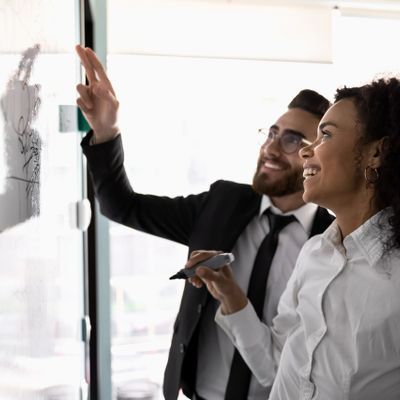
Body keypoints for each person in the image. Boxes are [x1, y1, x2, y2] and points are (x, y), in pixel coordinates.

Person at [75, 44, 334, 400]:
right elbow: (122, 206)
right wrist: (106, 131)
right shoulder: (222, 204)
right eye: (272, 133)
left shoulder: (331, 241)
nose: (271, 148)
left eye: (291, 140)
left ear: (316, 155)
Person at [189, 77, 400, 400]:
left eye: (325, 135)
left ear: (376, 153)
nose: (306, 150)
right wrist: (231, 296)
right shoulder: (314, 254)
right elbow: (274, 368)